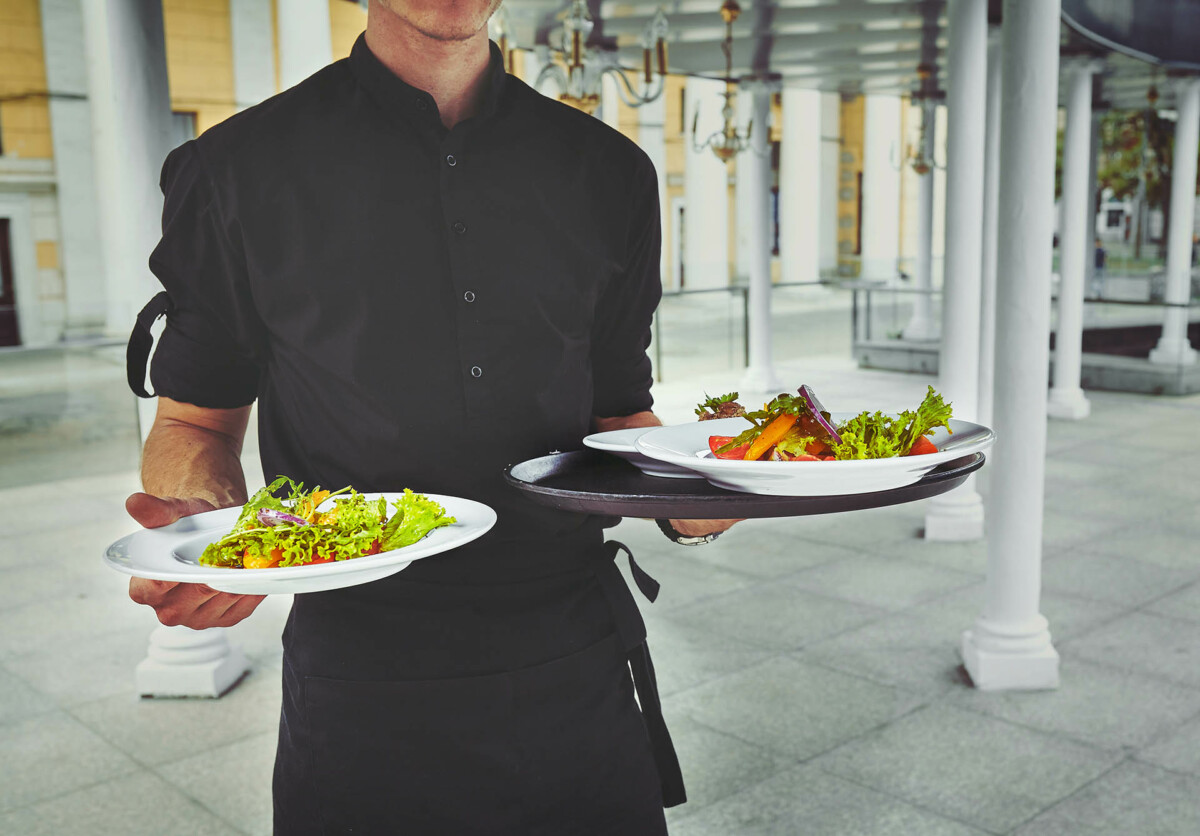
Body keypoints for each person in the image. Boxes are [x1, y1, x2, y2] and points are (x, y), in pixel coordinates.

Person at [123, 2, 737, 834]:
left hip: (572, 656)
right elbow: (193, 423)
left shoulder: (610, 172)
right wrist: (211, 534)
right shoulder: (235, 166)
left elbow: (618, 409)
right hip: (362, 671)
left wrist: (702, 496)